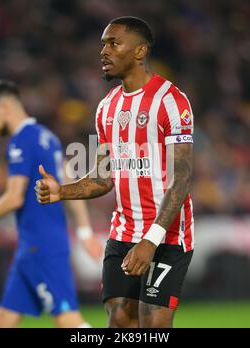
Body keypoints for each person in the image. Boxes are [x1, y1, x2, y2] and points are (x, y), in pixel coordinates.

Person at [35, 16, 194, 328]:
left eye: (113, 43)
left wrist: (151, 240)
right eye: (103, 44)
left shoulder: (171, 102)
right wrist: (62, 192)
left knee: (154, 326)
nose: (103, 51)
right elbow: (104, 177)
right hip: (122, 234)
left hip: (167, 236)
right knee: (119, 321)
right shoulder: (106, 108)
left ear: (139, 51)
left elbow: (182, 178)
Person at [0, 80, 102, 328]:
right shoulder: (47, 137)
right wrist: (85, 232)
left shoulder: (20, 142)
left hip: (41, 246)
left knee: (68, 321)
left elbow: (14, 197)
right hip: (34, 246)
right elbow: (70, 184)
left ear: (6, 107)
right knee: (4, 320)